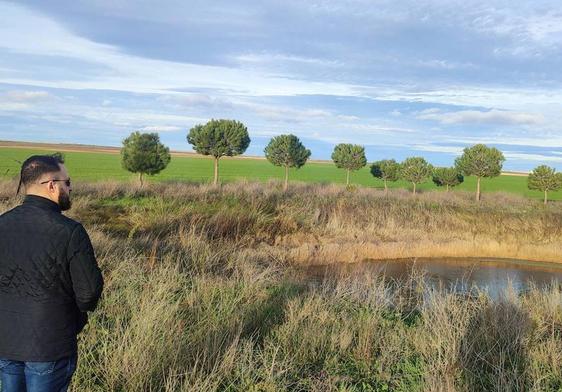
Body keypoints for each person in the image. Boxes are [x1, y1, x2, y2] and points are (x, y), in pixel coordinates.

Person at [0, 154, 103, 392]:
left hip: (6, 342)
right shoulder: (70, 232)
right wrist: (75, 317)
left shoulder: (2, 224)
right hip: (50, 344)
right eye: (67, 182)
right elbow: (89, 292)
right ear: (51, 185)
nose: (70, 187)